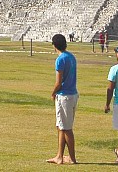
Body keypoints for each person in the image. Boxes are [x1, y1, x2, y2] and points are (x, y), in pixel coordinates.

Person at [48, 33, 78, 165]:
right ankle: (59, 156)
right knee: (61, 126)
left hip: (64, 95)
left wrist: (53, 93)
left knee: (67, 128)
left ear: (55, 45)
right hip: (72, 94)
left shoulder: (60, 59)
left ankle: (72, 157)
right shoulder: (71, 57)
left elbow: (58, 82)